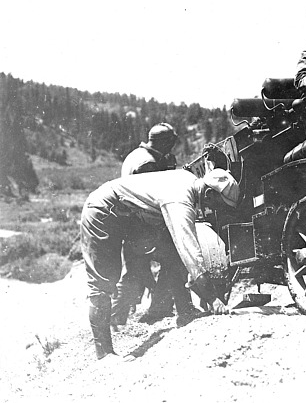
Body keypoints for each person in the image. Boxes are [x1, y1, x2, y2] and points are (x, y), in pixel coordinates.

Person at [80, 168, 240, 360]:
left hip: (129, 214)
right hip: (104, 211)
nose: (215, 210)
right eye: (217, 204)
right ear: (208, 193)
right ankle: (104, 353)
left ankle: (185, 311)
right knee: (103, 281)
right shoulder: (180, 200)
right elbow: (190, 252)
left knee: (170, 251)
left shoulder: (190, 182)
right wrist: (213, 299)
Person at [111, 123, 197, 328]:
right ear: (166, 143)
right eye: (172, 144)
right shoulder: (148, 164)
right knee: (175, 259)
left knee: (134, 272)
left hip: (131, 225)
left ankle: (119, 316)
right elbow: (156, 195)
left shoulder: (136, 155)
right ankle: (180, 310)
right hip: (145, 224)